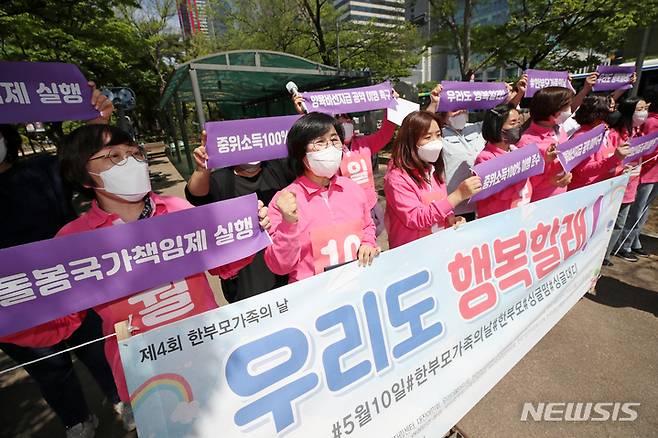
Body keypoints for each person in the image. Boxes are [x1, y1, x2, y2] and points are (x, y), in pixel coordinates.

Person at [56, 125, 270, 414]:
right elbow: (58, 322)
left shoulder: (177, 209)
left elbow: (224, 265)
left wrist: (250, 232)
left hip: (211, 349)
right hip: (146, 375)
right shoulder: (73, 241)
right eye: (113, 156)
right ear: (82, 174)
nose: (129, 162)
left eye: (134, 153)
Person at [0, 88, 131, 438]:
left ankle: (121, 397)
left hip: (72, 282)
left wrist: (97, 123)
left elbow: (86, 160)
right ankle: (76, 418)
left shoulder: (43, 170)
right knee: (48, 367)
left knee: (95, 347)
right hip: (14, 298)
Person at [264, 112, 380, 282]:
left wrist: (368, 243)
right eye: (320, 142)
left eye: (334, 140)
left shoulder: (352, 188)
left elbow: (368, 226)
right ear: (300, 152)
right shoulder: (284, 201)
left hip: (358, 289)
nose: (330, 148)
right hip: (316, 299)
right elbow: (279, 266)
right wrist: (288, 224)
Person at [185, 134, 295, 303]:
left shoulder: (278, 168)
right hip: (245, 277)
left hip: (285, 266)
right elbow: (196, 195)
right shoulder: (221, 180)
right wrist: (202, 168)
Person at [293, 93, 397, 235]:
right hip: (344, 208)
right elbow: (309, 142)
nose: (344, 123)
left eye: (347, 118)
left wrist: (390, 106)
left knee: (371, 242)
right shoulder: (329, 150)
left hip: (371, 205)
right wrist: (303, 114)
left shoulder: (364, 143)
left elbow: (386, 133)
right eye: (338, 119)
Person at [425, 76, 526, 221]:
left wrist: (518, 93)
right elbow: (423, 127)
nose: (460, 112)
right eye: (454, 110)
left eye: (463, 108)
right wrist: (433, 104)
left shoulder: (477, 128)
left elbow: (502, 117)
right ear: (444, 112)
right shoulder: (438, 135)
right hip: (453, 205)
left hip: (477, 204)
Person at [383, 111, 481, 249]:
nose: (435, 142)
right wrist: (457, 196)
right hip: (412, 253)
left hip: (438, 248)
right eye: (428, 137)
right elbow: (416, 218)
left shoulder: (433, 170)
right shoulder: (397, 177)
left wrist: (451, 220)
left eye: (438, 135)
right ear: (410, 141)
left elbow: (442, 206)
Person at [610, 96, 651, 261]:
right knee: (610, 222)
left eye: (645, 108)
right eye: (640, 109)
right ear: (629, 112)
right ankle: (603, 255)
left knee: (620, 222)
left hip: (631, 184)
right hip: (615, 184)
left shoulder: (638, 132)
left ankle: (610, 252)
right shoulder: (615, 134)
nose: (644, 113)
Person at [516, 86, 574, 201]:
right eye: (567, 107)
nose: (570, 110)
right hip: (539, 203)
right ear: (555, 112)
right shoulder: (526, 142)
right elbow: (521, 183)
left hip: (561, 198)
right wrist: (549, 180)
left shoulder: (560, 130)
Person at [474, 104, 533, 217]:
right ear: (497, 127)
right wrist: (525, 171)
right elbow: (502, 193)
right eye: (513, 123)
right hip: (499, 219)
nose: (518, 126)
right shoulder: (485, 158)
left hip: (521, 213)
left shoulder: (516, 150)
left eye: (519, 122)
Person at [567, 95, 630, 193]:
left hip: (601, 189)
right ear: (598, 115)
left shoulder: (604, 132)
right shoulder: (581, 137)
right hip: (583, 193)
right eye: (609, 111)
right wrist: (614, 159)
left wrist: (619, 168)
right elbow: (583, 170)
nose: (613, 113)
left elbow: (607, 157)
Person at [623, 92, 658, 257]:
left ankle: (634, 240)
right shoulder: (652, 122)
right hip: (646, 172)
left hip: (655, 174)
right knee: (637, 209)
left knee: (644, 209)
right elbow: (645, 149)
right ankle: (624, 244)